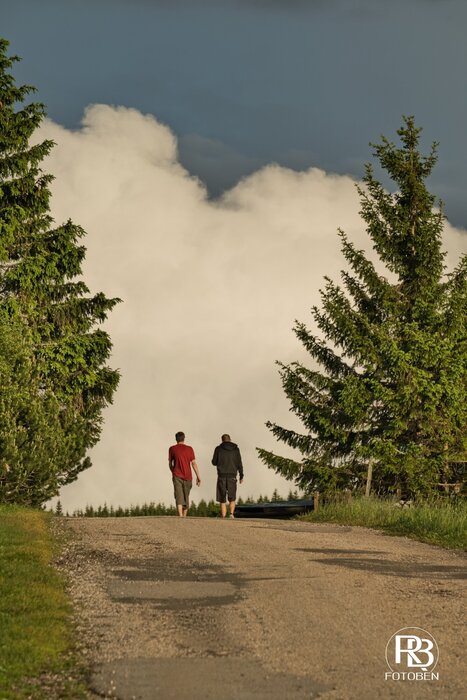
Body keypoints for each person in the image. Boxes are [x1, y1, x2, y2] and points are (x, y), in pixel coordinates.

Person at [168, 431, 201, 517]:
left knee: (178, 495)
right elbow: (193, 463)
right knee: (186, 496)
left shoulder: (172, 449)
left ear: (176, 439)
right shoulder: (190, 449)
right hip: (188, 476)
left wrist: (173, 471)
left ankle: (180, 516)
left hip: (177, 475)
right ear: (184, 438)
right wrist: (198, 476)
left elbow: (170, 463)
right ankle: (184, 517)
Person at [212, 434, 244, 518]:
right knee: (232, 497)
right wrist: (241, 475)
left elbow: (214, 462)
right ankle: (231, 514)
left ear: (222, 440)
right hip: (232, 475)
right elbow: (239, 463)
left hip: (221, 475)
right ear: (230, 439)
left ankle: (223, 516)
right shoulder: (236, 449)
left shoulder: (218, 449)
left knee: (222, 498)